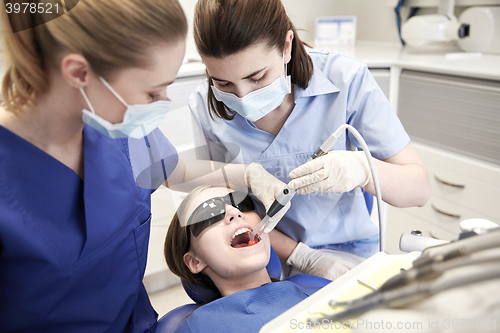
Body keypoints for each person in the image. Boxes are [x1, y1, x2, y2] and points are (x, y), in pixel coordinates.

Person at [0, 1, 285, 331]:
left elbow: (174, 172)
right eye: (152, 93)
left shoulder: (121, 129)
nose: (164, 102)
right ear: (79, 73)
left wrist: (249, 176)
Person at [188, 0, 431, 280]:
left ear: (286, 46)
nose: (243, 97)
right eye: (223, 83)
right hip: (264, 257)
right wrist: (299, 255)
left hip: (349, 253)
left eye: (257, 77)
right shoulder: (203, 107)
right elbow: (219, 205)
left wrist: (363, 169)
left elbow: (419, 189)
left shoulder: (345, 79)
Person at [164, 185, 328, 333]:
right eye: (210, 213)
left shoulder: (317, 292)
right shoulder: (195, 329)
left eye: (242, 204)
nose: (235, 212)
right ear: (195, 261)